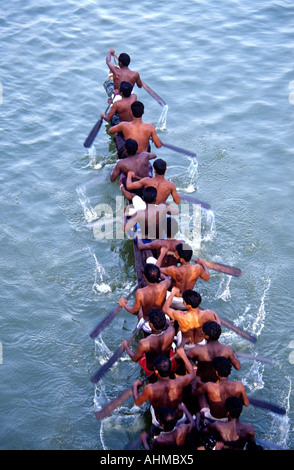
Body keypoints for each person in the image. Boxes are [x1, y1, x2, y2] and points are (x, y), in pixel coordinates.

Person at [132, 347, 196, 431]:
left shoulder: (150, 388)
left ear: (156, 371)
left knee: (151, 401)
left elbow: (137, 402)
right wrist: (183, 355)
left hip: (160, 423)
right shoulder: (179, 382)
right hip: (179, 419)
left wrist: (135, 386)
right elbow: (192, 375)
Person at [193, 356, 250, 423]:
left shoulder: (209, 386)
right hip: (229, 418)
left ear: (216, 373)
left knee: (201, 394)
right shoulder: (239, 385)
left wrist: (195, 381)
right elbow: (246, 404)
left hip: (213, 417)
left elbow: (193, 393)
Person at [121, 308, 176, 375]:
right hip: (168, 365)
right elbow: (168, 323)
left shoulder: (144, 343)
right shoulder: (171, 331)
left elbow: (135, 358)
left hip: (152, 371)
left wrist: (126, 346)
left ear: (151, 325)